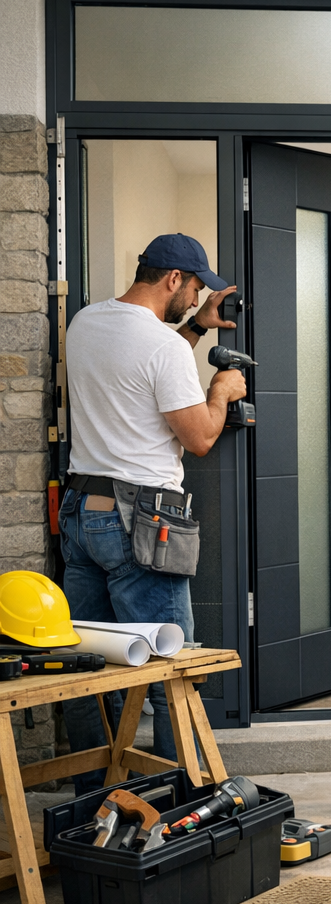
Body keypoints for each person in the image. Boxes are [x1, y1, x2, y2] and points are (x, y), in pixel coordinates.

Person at [59, 233, 246, 793]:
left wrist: (196, 329)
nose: (195, 298)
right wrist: (221, 390)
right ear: (172, 279)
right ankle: (181, 800)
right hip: (141, 520)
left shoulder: (86, 323)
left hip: (82, 510)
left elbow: (135, 369)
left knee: (89, 665)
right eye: (194, 289)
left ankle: (97, 799)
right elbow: (199, 438)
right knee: (171, 669)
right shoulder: (162, 349)